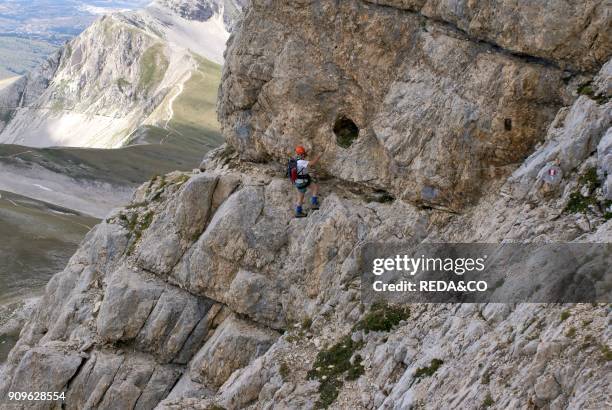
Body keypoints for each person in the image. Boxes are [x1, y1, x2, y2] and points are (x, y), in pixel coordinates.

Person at [292, 145, 323, 218]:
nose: (304, 154)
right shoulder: (301, 162)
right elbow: (312, 163)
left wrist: (307, 150)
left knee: (314, 187)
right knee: (300, 198)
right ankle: (298, 212)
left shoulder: (296, 160)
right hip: (303, 182)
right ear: (300, 154)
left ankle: (314, 203)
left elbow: (303, 157)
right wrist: (319, 155)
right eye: (303, 153)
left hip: (301, 181)